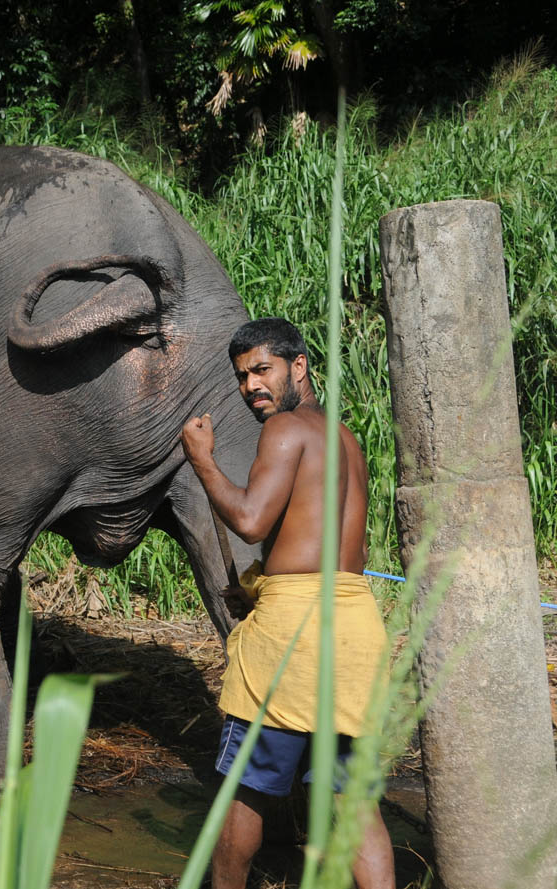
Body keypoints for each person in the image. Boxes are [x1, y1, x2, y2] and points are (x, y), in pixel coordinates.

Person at [180, 317, 395, 889]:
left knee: (244, 788)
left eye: (262, 370)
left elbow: (252, 521)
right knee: (354, 801)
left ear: (298, 365)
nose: (251, 385)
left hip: (294, 640)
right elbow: (320, 547)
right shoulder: (345, 438)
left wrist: (203, 459)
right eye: (242, 376)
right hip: (354, 628)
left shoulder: (284, 430)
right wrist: (256, 586)